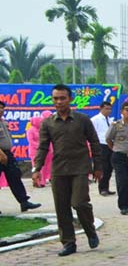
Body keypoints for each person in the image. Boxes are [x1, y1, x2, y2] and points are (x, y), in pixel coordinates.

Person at [31, 85, 101, 256]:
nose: (59, 102)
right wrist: (37, 168)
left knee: (79, 203)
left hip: (80, 168)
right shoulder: (48, 123)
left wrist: (98, 167)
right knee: (61, 208)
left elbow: (94, 143)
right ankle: (69, 243)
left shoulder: (82, 119)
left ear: (70, 99)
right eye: (55, 98)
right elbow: (42, 147)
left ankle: (90, 231)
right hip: (59, 169)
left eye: (62, 98)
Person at [0, 101, 41, 213]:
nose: (1, 110)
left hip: (7, 154)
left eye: (3, 108)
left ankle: (24, 202)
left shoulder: (3, 122)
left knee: (15, 176)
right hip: (1, 154)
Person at [105, 101, 128, 215]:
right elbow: (108, 139)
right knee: (122, 181)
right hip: (119, 156)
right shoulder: (116, 125)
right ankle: (123, 205)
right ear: (122, 112)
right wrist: (115, 149)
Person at [90, 101, 115, 196]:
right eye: (106, 109)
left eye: (110, 109)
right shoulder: (95, 119)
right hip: (101, 145)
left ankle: (106, 187)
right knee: (103, 167)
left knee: (109, 167)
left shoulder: (110, 120)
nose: (108, 111)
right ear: (101, 109)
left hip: (110, 145)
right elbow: (92, 133)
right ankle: (102, 188)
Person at [26, 113, 48, 187]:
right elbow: (31, 141)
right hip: (34, 151)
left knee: (43, 167)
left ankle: (42, 181)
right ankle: (36, 181)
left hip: (42, 151)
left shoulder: (41, 130)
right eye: (40, 122)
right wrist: (39, 146)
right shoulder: (30, 130)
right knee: (35, 167)